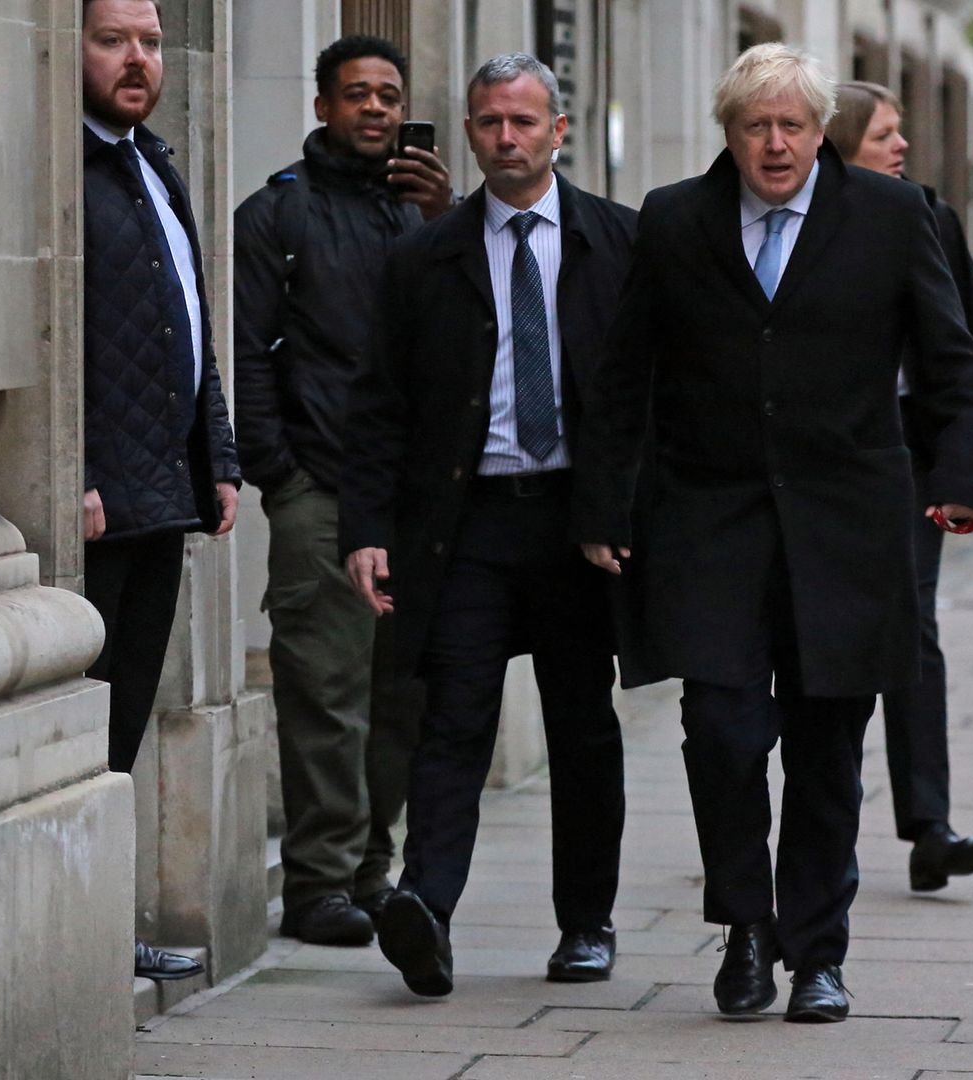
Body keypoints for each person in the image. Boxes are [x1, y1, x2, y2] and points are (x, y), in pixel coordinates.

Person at [573, 43, 973, 1024]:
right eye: (756, 126)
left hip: (847, 526)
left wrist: (966, 476)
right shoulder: (677, 220)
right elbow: (624, 372)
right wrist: (601, 505)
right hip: (708, 523)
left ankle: (818, 955)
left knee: (825, 750)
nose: (774, 144)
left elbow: (951, 358)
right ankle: (746, 924)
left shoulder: (891, 217)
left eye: (792, 126)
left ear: (819, 133)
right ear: (731, 131)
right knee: (720, 732)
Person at [338, 53, 637, 998]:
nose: (505, 139)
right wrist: (365, 527)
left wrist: (619, 514)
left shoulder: (618, 244)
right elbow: (378, 404)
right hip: (464, 530)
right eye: (488, 123)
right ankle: (427, 912)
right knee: (452, 721)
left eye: (522, 121)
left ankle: (586, 923)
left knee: (583, 729)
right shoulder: (423, 257)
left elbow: (646, 402)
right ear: (467, 133)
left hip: (577, 531)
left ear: (559, 130)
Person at [233, 35, 452, 947]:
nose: (375, 109)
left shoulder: (425, 215)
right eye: (356, 94)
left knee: (403, 692)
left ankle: (369, 869)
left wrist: (451, 219)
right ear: (322, 106)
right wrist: (279, 472)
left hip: (414, 499)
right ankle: (316, 882)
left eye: (389, 95)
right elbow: (244, 353)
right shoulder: (275, 215)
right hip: (319, 487)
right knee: (325, 689)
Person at [826, 80, 973, 892]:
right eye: (885, 133)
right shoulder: (798, 227)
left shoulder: (927, 217)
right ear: (844, 143)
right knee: (821, 639)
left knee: (912, 626)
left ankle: (929, 822)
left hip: (910, 460)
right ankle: (816, 815)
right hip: (825, 463)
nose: (903, 145)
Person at [81, 0, 240, 984]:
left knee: (125, 719)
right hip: (100, 502)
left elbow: (192, 328)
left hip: (164, 492)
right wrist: (78, 475)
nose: (138, 58)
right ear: (73, 48)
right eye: (113, 41)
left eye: (148, 40)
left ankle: (105, 928)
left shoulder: (156, 166)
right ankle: (90, 938)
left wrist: (217, 457)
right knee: (88, 727)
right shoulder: (67, 171)